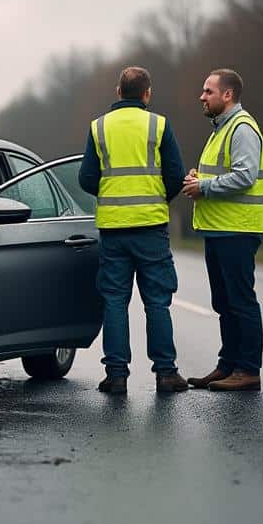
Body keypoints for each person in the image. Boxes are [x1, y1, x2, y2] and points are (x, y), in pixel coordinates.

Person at [78, 66, 187, 395]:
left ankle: (116, 376)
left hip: (113, 230)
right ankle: (166, 374)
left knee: (114, 301)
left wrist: (112, 196)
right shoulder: (159, 125)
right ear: (147, 93)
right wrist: (156, 200)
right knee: (157, 302)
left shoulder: (99, 128)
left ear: (117, 91)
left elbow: (85, 178)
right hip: (151, 227)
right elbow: (175, 174)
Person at [181, 69, 263, 391]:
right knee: (224, 302)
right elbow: (222, 173)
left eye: (208, 91)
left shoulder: (242, 128)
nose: (202, 97)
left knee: (241, 300)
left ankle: (248, 371)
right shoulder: (221, 129)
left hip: (237, 229)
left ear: (227, 95)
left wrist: (204, 185)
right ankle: (228, 365)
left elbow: (245, 176)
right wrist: (198, 178)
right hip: (219, 229)